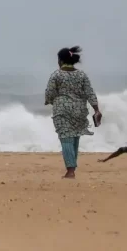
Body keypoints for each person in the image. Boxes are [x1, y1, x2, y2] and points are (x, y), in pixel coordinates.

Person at [44, 46, 101, 179]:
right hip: (79, 111)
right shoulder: (82, 75)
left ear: (60, 61)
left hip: (62, 111)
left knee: (66, 139)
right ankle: (72, 167)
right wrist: (96, 109)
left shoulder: (56, 75)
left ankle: (70, 171)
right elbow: (90, 93)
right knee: (75, 138)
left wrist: (51, 101)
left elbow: (49, 93)